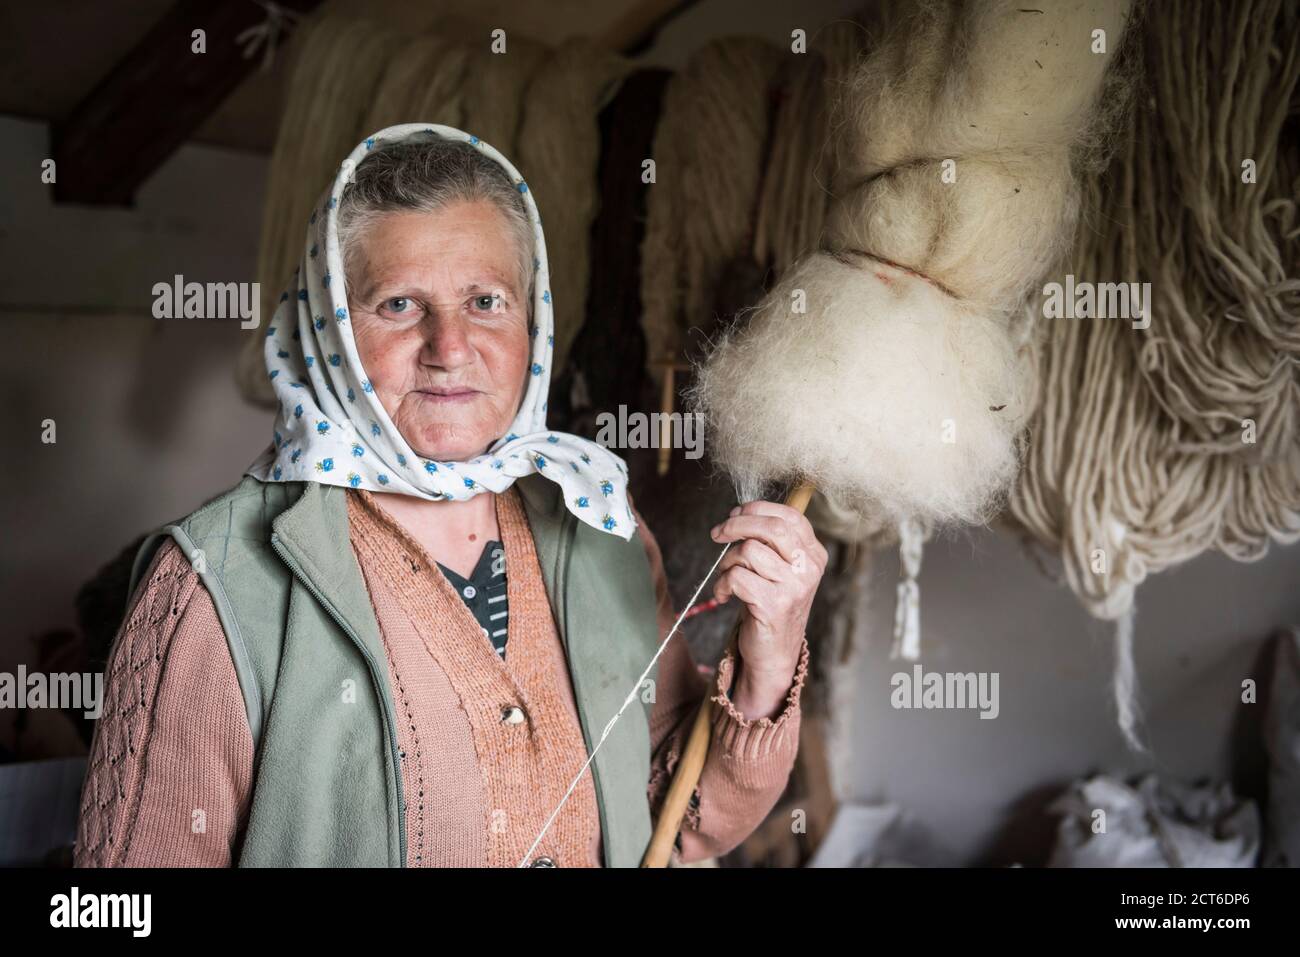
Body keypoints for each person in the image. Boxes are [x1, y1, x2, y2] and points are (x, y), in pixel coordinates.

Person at [73, 123, 824, 867]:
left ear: (534, 316)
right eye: (399, 303)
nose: (451, 347)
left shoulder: (599, 522)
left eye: (486, 300)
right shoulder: (215, 585)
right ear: (327, 330)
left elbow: (672, 814)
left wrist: (767, 656)